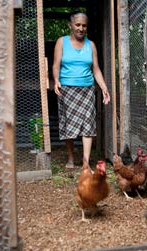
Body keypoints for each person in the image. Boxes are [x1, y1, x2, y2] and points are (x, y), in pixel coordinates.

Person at [52, 12, 110, 169]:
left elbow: (96, 69)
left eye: (84, 25)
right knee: (68, 123)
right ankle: (70, 158)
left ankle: (85, 162)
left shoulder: (90, 45)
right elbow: (56, 65)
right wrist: (56, 80)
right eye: (77, 24)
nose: (81, 28)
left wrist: (104, 88)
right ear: (70, 25)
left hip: (87, 89)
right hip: (67, 89)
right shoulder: (61, 42)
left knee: (88, 125)